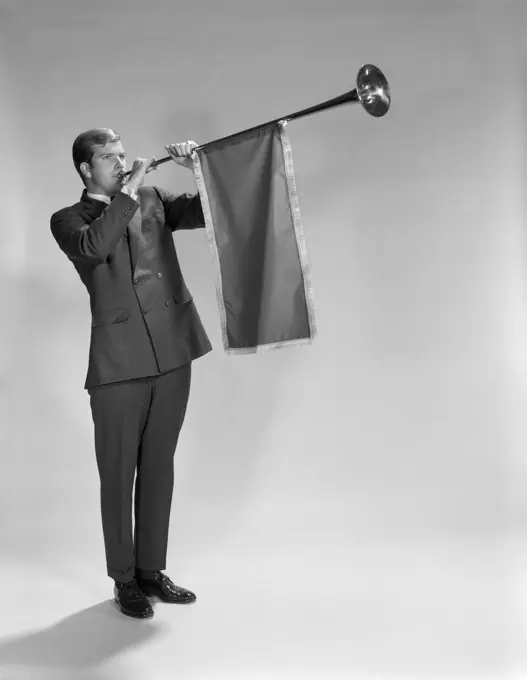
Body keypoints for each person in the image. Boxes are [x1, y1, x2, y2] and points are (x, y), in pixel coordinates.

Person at [50, 128, 213, 619]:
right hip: (118, 364)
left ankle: (150, 571)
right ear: (86, 168)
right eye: (109, 157)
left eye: (124, 155)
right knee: (119, 475)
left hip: (172, 351)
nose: (122, 162)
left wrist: (198, 170)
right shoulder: (68, 220)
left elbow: (211, 213)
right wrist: (125, 191)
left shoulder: (152, 197)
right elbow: (95, 248)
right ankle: (123, 580)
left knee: (159, 466)